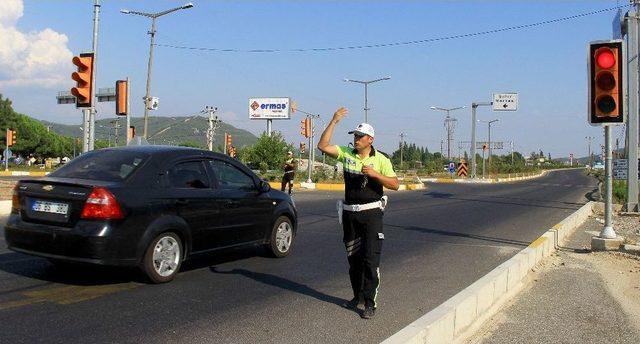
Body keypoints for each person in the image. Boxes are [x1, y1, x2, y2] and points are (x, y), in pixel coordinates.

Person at [317, 107, 399, 319]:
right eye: (354, 136)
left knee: (370, 260)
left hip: (371, 214)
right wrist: (334, 121)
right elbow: (322, 145)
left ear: (370, 139)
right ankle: (357, 296)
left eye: (360, 136)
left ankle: (370, 302)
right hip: (350, 215)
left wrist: (375, 174)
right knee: (353, 259)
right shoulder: (346, 154)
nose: (356, 139)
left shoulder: (381, 159)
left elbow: (395, 184)